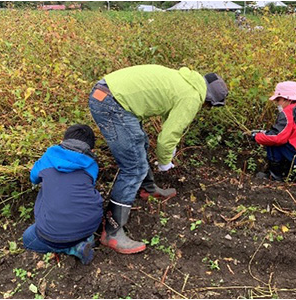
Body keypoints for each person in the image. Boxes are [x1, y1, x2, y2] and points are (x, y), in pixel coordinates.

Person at [89, 65, 228, 254]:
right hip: (112, 103)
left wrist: (170, 144)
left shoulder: (185, 81)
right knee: (133, 168)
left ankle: (148, 188)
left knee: (140, 143)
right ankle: (112, 232)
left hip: (106, 93)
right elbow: (166, 138)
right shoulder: (193, 97)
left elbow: (168, 120)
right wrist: (165, 162)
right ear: (209, 100)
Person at [22, 124, 103, 265]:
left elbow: (33, 178)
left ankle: (74, 248)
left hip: (52, 233)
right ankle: (85, 238)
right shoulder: (92, 165)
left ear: (62, 141)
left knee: (28, 239)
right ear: (91, 149)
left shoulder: (48, 158)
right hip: (90, 224)